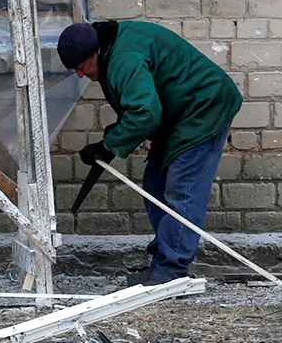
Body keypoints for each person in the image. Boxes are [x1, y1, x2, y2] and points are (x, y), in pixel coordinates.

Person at [57, 20, 243, 286]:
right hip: (179, 114)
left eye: (81, 66)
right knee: (156, 184)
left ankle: (172, 272)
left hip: (204, 109)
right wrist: (113, 141)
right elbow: (140, 107)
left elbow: (144, 115)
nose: (79, 74)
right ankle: (162, 262)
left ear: (96, 51)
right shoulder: (110, 48)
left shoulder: (123, 59)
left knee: (183, 189)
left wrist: (108, 146)